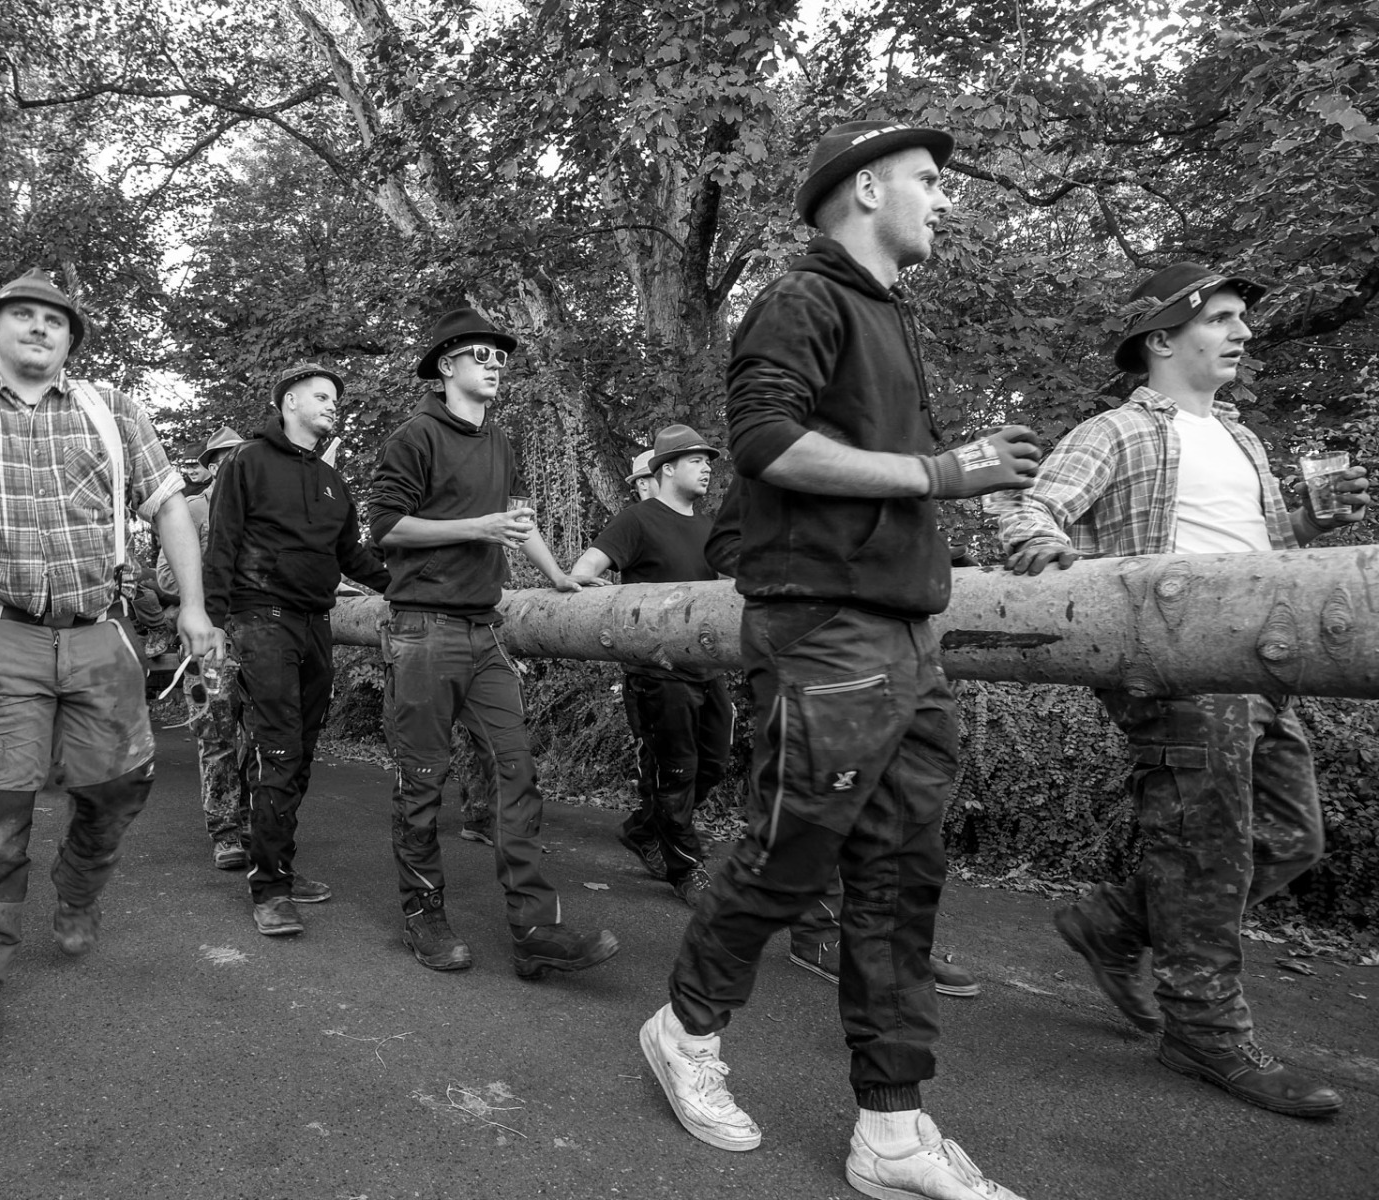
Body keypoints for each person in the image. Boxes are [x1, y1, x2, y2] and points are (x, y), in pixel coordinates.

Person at [639, 120, 1041, 1200]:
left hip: (909, 632)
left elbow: (880, 474)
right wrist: (943, 472)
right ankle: (684, 1030)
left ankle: (893, 1130)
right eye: (928, 181)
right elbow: (765, 443)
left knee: (903, 877)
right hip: (825, 630)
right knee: (791, 856)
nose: (943, 200)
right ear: (867, 188)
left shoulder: (889, 315)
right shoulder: (803, 298)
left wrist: (960, 495)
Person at [993, 262, 1369, 1119]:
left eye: (1242, 318)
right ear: (1163, 340)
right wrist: (1047, 552)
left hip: (1258, 667)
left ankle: (1114, 923)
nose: (1243, 333)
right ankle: (1204, 1029)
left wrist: (1309, 524)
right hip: (1172, 665)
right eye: (1223, 318)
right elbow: (1030, 508)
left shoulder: (1243, 439)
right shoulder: (1117, 431)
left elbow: (1260, 544)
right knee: (1208, 848)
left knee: (1292, 836)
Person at [0, 268, 221, 1065]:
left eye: (53, 320)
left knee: (118, 787)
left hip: (100, 632)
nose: (38, 328)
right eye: (21, 315)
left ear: (70, 339)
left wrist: (193, 607)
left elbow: (168, 504)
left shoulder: (113, 409)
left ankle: (81, 881)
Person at [367, 307, 619, 979]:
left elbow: (516, 520)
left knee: (517, 771)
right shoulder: (414, 436)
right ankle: (424, 916)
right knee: (423, 780)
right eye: (481, 354)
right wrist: (474, 527)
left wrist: (558, 575)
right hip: (422, 631)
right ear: (447, 366)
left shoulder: (500, 441)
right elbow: (386, 527)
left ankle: (535, 928)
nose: (495, 364)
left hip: (484, 633)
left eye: (500, 356)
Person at [705, 473, 981, 998]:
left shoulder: (901, 452)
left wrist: (936, 561)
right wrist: (826, 578)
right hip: (817, 645)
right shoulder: (786, 446)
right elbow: (726, 545)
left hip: (898, 648)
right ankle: (817, 935)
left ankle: (897, 955)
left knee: (903, 819)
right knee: (819, 806)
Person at [203, 362, 390, 935]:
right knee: (280, 748)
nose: (333, 405)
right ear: (289, 402)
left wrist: (412, 585)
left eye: (335, 398)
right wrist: (211, 623)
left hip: (315, 624)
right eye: (322, 396)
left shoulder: (333, 481)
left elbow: (351, 557)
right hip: (260, 618)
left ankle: (276, 862)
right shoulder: (246, 462)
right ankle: (269, 890)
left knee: (301, 750)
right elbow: (223, 543)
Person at [569, 424, 727, 908]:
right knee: (675, 772)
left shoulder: (710, 528)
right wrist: (591, 586)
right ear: (667, 469)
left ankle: (644, 829)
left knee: (713, 765)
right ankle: (686, 869)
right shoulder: (637, 520)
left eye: (708, 461)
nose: (706, 468)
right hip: (658, 674)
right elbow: (586, 568)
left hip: (706, 667)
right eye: (696, 460)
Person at [165, 425, 254, 870]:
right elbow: (167, 578)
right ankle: (225, 833)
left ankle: (252, 820)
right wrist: (212, 575)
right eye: (227, 458)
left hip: (260, 634)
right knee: (216, 737)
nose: (238, 465)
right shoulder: (194, 508)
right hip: (211, 640)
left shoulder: (262, 509)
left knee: (262, 736)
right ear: (212, 467)